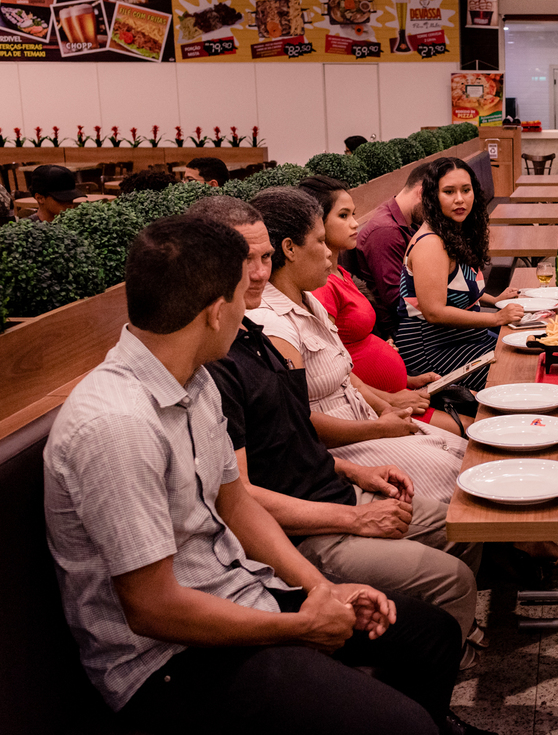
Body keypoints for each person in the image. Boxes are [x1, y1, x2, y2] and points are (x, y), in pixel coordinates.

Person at [42, 215, 486, 735]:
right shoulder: (116, 425)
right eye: (241, 292)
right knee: (402, 723)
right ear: (216, 312)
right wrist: (297, 627)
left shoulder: (193, 379)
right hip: (169, 664)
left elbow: (236, 504)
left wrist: (322, 590)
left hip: (243, 591)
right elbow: (153, 608)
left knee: (430, 634)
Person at [192, 195, 484, 660]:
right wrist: (356, 515)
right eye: (246, 261)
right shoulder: (217, 362)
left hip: (335, 487)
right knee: (453, 575)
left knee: (468, 522)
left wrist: (356, 473)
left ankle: (443, 642)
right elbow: (240, 498)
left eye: (264, 258)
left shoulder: (251, 334)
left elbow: (292, 437)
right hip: (307, 528)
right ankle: (433, 653)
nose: (259, 273)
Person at [244, 186, 468, 505]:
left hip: (367, 419)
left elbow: (346, 377)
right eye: (320, 241)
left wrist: (385, 408)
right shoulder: (273, 322)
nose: (328, 253)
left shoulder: (308, 299)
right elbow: (297, 423)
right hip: (344, 445)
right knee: (458, 477)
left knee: (465, 452)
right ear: (290, 249)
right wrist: (380, 426)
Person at [300, 174, 463, 434]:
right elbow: (334, 369)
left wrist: (407, 380)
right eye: (343, 216)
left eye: (353, 214)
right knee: (474, 429)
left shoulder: (340, 273)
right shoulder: (322, 287)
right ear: (317, 223)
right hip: (377, 407)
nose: (355, 223)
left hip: (398, 393)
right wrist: (390, 399)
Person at [392, 157, 520, 391]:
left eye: (466, 190)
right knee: (516, 373)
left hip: (465, 338)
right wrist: (496, 318)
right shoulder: (431, 243)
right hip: (432, 350)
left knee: (527, 352)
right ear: (432, 196)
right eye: (449, 192)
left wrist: (495, 301)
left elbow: (456, 286)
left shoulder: (453, 232)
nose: (459, 199)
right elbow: (434, 312)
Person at [356, 162, 430, 334]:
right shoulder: (386, 231)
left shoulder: (407, 222)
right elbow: (397, 299)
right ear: (421, 193)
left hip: (417, 319)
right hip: (403, 331)